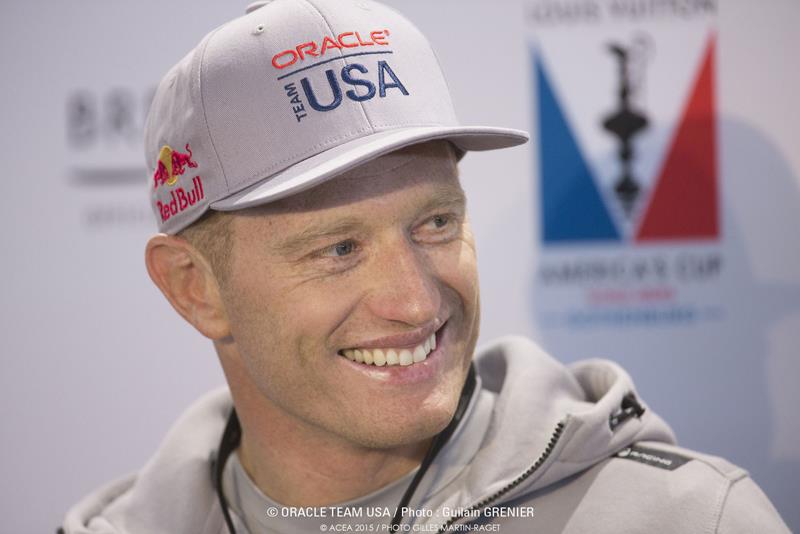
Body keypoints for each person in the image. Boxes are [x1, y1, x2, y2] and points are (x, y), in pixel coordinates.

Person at [61, 0, 789, 533]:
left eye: (436, 223)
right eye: (337, 249)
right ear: (196, 289)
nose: (415, 303)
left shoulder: (689, 519)